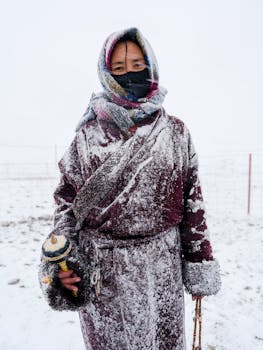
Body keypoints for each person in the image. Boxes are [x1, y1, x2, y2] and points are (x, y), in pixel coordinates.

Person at [38, 27, 221, 350]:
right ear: (106, 74)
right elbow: (67, 204)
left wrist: (199, 262)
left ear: (151, 66)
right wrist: (61, 260)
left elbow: (193, 203)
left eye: (137, 64)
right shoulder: (87, 137)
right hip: (105, 275)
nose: (130, 74)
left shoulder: (175, 133)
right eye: (119, 69)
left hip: (161, 271)